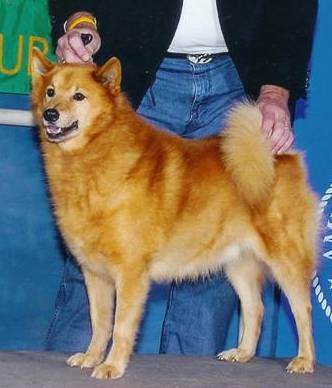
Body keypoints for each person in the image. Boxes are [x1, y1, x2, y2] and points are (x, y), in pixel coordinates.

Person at [46, 0, 318, 356]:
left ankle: (189, 376)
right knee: (99, 250)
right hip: (135, 74)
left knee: (212, 264)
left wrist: (275, 91)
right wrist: (80, 18)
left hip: (237, 75)